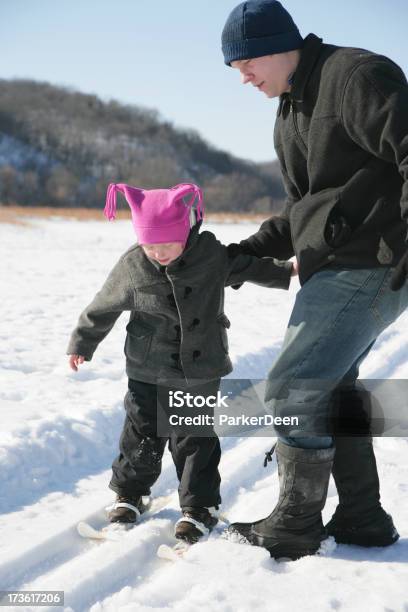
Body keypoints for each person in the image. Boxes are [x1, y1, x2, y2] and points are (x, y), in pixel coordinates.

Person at [221, 0, 408, 559]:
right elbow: (305, 209)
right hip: (339, 264)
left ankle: (296, 524)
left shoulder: (356, 76)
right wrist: (245, 254)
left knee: (291, 389)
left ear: (277, 44)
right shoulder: (291, 111)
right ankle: (361, 516)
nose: (244, 78)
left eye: (246, 64)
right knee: (330, 389)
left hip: (375, 261)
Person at [66, 181, 296, 544]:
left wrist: (285, 271)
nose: (158, 253)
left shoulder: (211, 256)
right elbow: (103, 306)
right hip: (146, 366)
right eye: (150, 245)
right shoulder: (133, 265)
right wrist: (82, 341)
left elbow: (247, 266)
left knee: (193, 438)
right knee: (142, 431)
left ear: (186, 231)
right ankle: (131, 493)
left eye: (167, 245)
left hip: (200, 367)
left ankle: (199, 507)